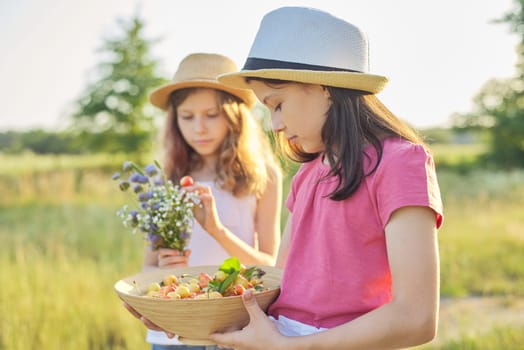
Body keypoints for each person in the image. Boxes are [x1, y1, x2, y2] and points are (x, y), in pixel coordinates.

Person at [127, 7, 444, 350]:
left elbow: (416, 319)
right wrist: (183, 316)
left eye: (277, 104)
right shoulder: (308, 175)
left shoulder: (400, 162)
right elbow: (277, 289)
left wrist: (289, 346)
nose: (275, 125)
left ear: (326, 88)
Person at [142, 52, 282, 350]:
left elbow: (270, 266)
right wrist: (165, 268)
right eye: (187, 117)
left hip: (236, 330)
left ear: (234, 115)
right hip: (174, 334)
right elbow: (147, 271)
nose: (199, 128)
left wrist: (216, 229)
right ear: (174, 121)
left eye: (211, 115)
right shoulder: (164, 178)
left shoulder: (264, 176)